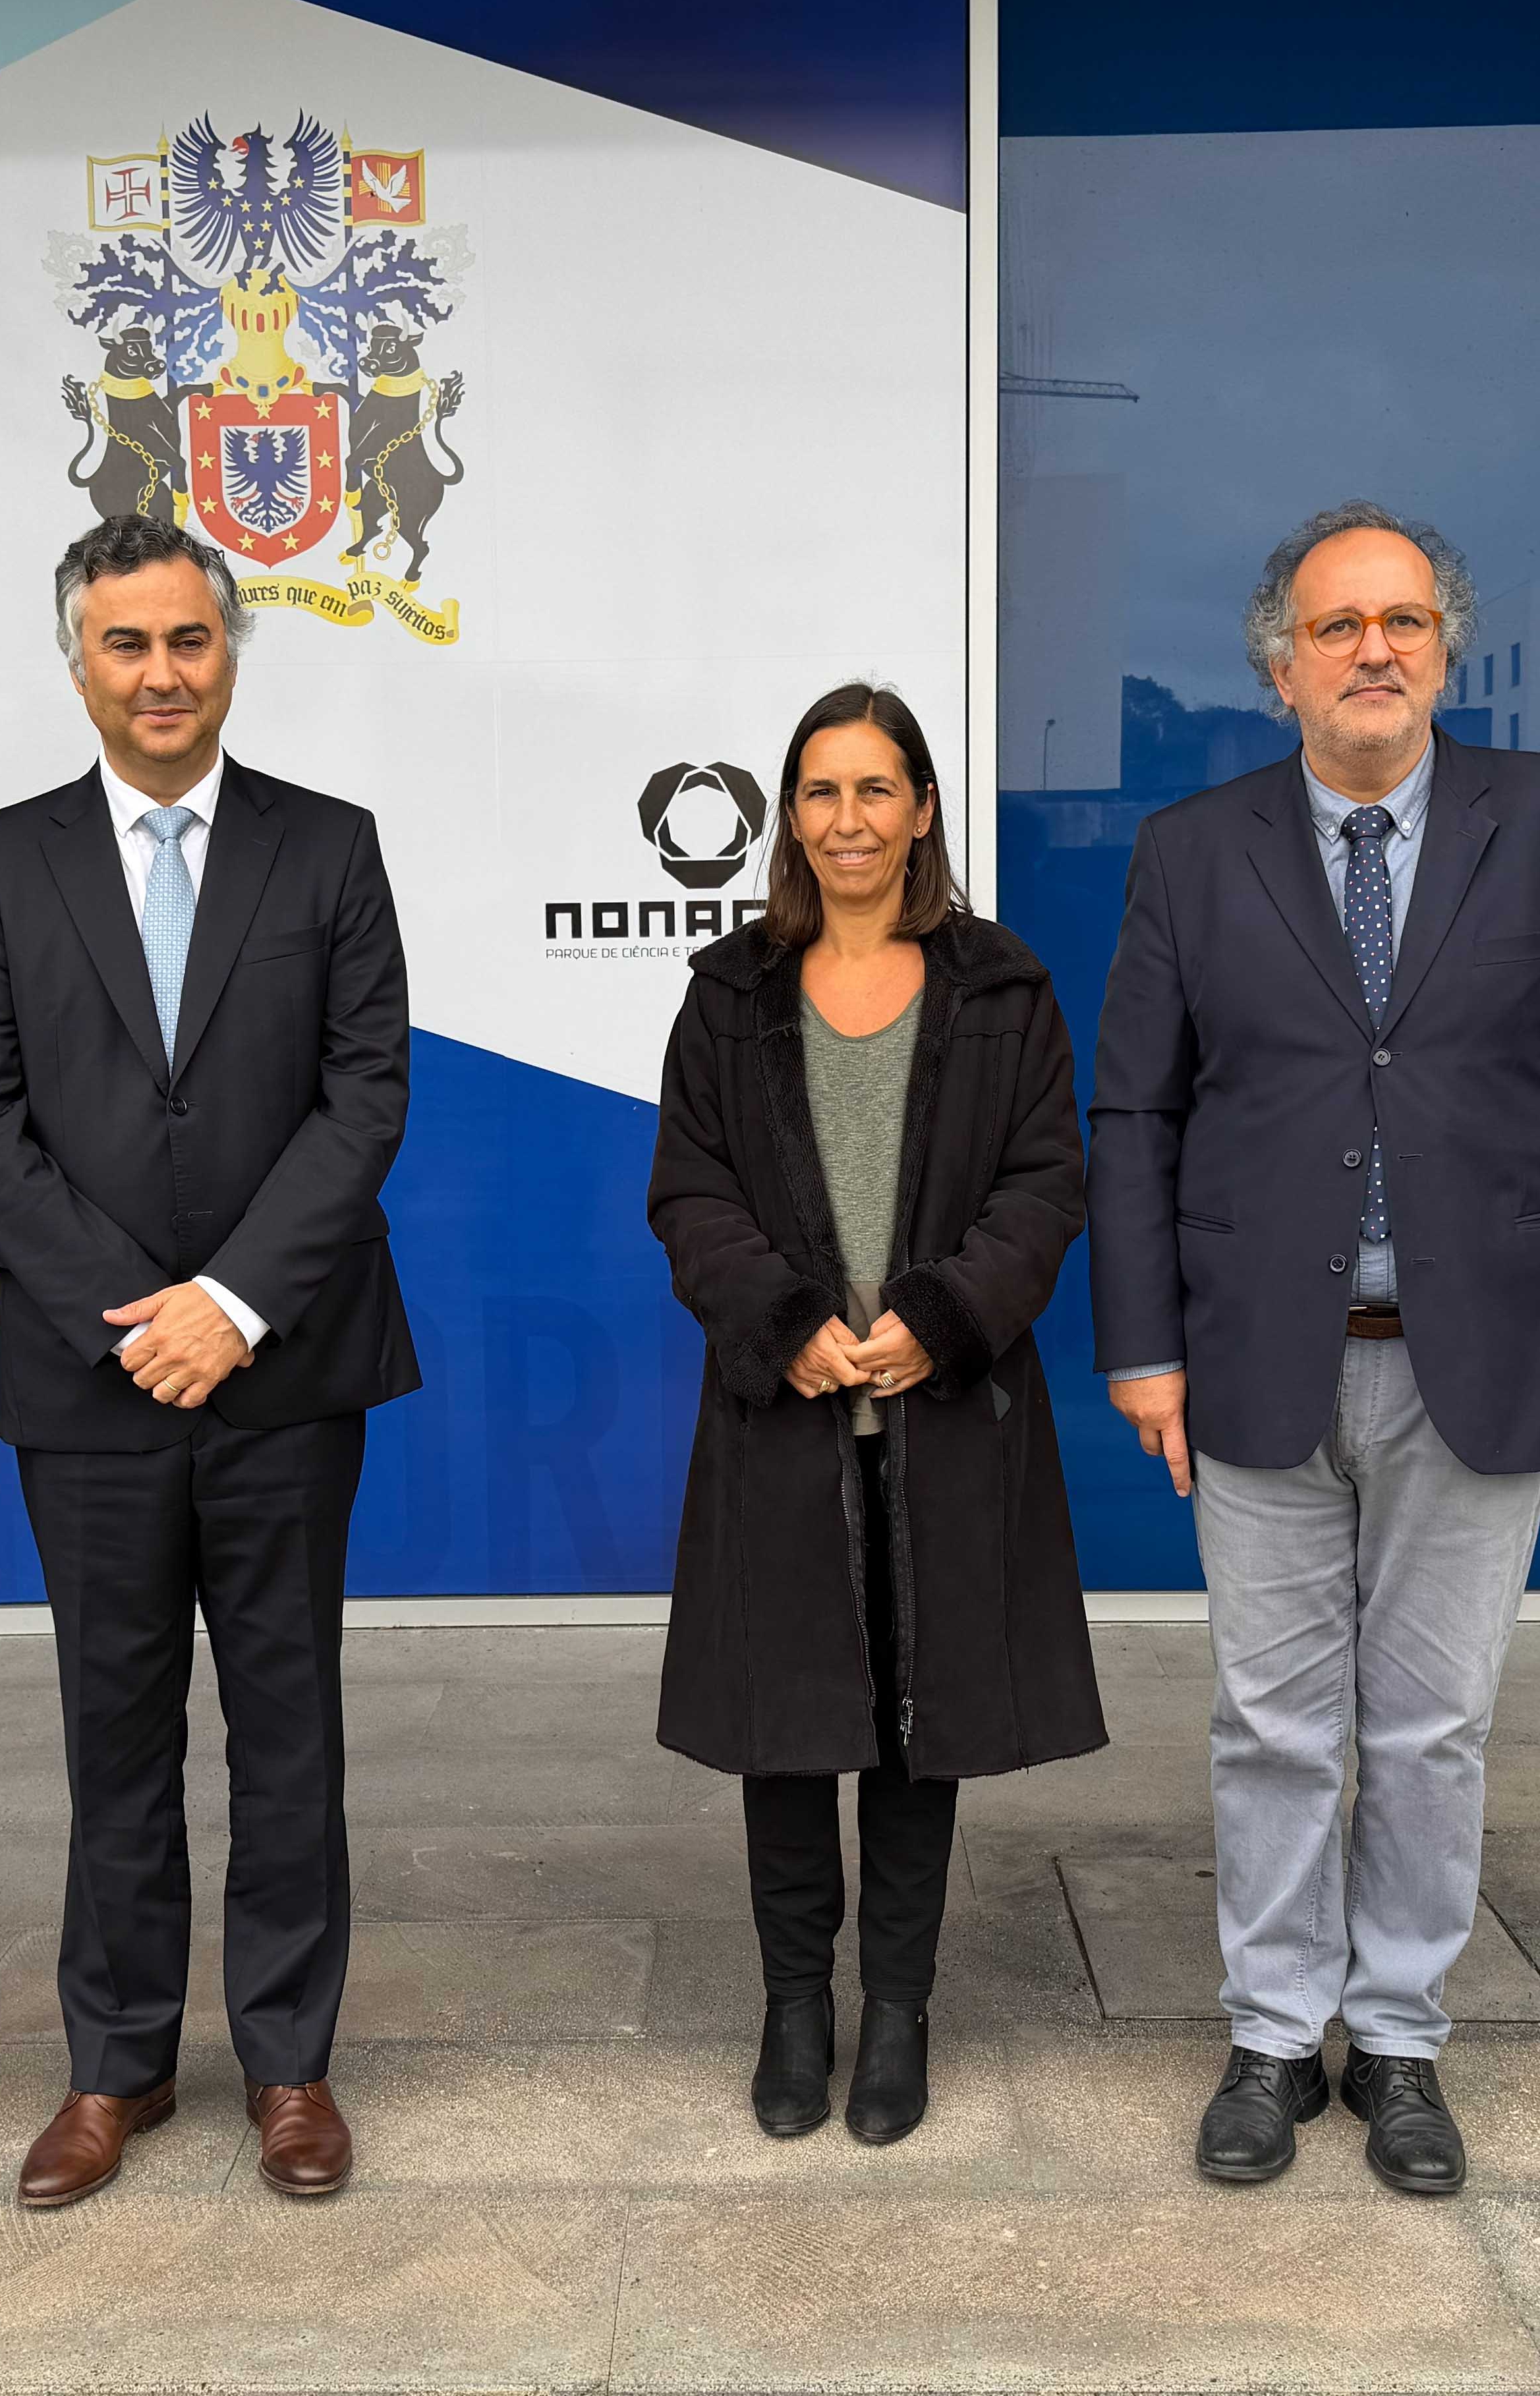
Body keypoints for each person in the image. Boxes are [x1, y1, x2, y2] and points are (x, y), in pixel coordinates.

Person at [1090, 501, 1540, 2196]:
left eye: (1405, 623)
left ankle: (1403, 2039)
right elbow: (1135, 1113)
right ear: (1280, 666)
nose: (1375, 651)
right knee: (1271, 1724)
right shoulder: (1192, 849)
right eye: (1340, 626)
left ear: (1445, 652)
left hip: (1485, 1351)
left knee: (1433, 1727)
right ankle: (1275, 2035)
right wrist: (1140, 1347)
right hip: (1254, 1353)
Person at [0, 513, 418, 2209]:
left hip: (286, 1372)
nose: (160, 673)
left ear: (230, 655)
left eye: (188, 640)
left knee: (289, 1730)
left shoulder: (327, 847)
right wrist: (138, 1317)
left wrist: (235, 1305)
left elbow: (366, 1095)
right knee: (114, 1735)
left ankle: (290, 2064)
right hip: (93, 1384)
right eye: (126, 643)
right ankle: (114, 2066)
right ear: (79, 663)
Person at [650, 683, 1106, 2146]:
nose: (848, 819)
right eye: (821, 792)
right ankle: (796, 2007)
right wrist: (780, 1324)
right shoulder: (730, 993)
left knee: (922, 1738)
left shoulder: (1004, 989)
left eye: (875, 789)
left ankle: (898, 2011)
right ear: (792, 819)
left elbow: (1046, 1183)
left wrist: (947, 1315)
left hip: (943, 1414)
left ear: (921, 811)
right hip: (784, 1415)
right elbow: (690, 1191)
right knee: (785, 1732)